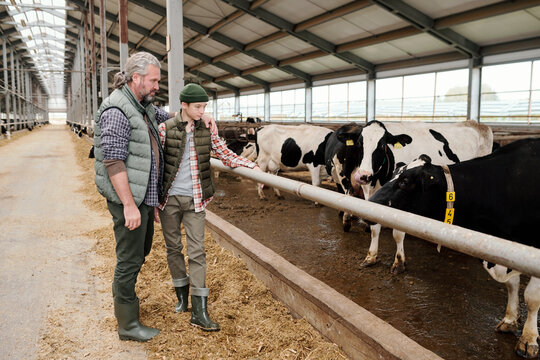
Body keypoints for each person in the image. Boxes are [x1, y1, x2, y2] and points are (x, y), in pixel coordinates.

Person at [93, 52, 215, 342]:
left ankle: (129, 313)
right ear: (136, 78)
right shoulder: (117, 110)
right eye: (154, 80)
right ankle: (127, 325)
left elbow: (174, 117)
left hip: (144, 198)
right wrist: (128, 206)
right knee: (129, 259)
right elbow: (113, 161)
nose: (157, 86)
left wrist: (203, 115)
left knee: (139, 253)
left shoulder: (143, 106)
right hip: (130, 200)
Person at [158, 83, 260, 332]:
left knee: (198, 252)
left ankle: (200, 310)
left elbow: (224, 154)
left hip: (196, 199)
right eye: (197, 107)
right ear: (183, 105)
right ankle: (181, 298)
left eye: (204, 107)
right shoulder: (165, 129)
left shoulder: (207, 128)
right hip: (169, 199)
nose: (202, 111)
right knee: (173, 248)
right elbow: (156, 166)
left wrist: (251, 166)